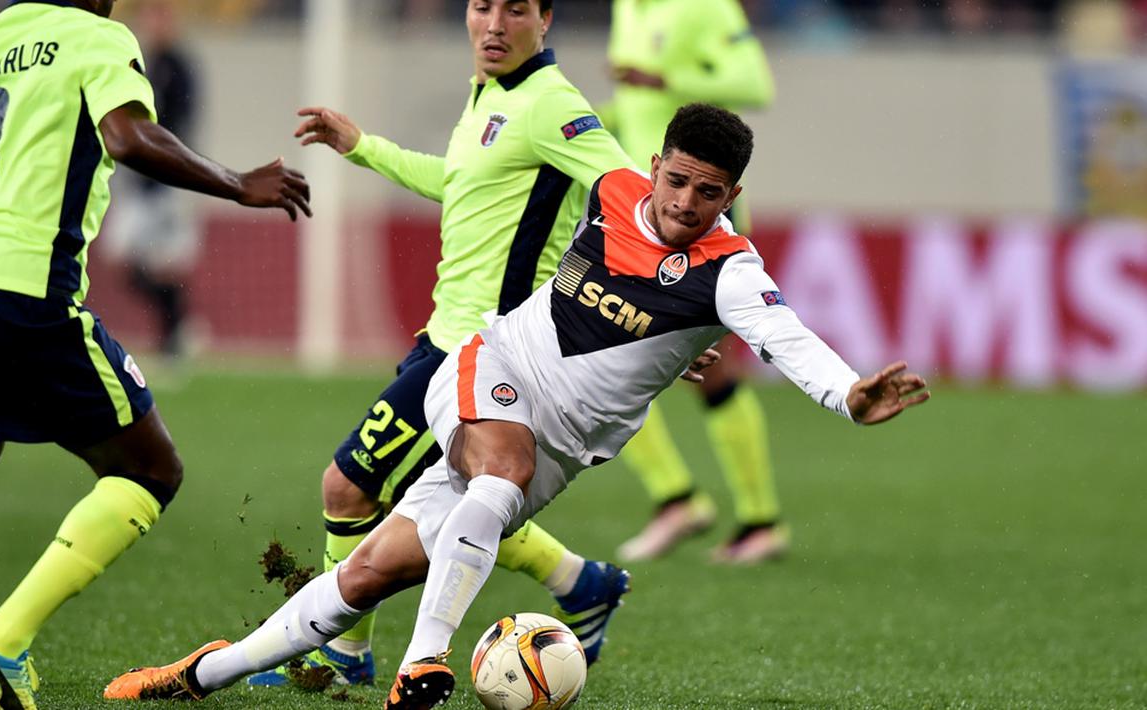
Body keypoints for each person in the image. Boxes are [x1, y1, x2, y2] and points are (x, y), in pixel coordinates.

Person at [103, 104, 929, 709]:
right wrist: (369, 148)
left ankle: (201, 673)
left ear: (731, 194)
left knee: (366, 575)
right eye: (675, 181)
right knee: (501, 467)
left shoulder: (730, 271)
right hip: (486, 368)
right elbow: (473, 183)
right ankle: (424, 664)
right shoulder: (606, 189)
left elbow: (785, 336)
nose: (684, 203)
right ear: (652, 166)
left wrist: (845, 394)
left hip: (559, 453)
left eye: (707, 193)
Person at [0, 1, 310, 708]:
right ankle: (1, 642)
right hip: (21, 292)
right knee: (150, 469)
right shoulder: (96, 37)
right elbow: (128, 138)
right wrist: (237, 185)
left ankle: (0, 643)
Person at [243, 0, 638, 688]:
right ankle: (579, 582)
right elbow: (458, 185)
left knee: (348, 485)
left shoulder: (552, 107)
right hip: (443, 339)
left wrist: (662, 298)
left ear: (544, 19)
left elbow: (628, 195)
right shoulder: (491, 94)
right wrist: (362, 146)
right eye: (481, 6)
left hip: (483, 352)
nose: (493, 24)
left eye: (514, 10)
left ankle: (344, 656)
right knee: (463, 496)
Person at [605, 0, 788, 564]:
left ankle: (755, 518)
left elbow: (756, 83)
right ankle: (680, 500)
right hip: (643, 217)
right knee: (608, 349)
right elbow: (640, 109)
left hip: (698, 216)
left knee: (710, 368)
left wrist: (668, 78)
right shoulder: (627, 8)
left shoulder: (705, 7)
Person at [103, 0, 201, 359]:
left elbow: (183, 122)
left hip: (167, 184)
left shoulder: (179, 67)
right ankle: (179, 325)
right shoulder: (142, 64)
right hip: (141, 183)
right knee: (122, 258)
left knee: (164, 263)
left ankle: (174, 336)